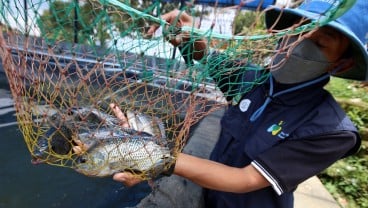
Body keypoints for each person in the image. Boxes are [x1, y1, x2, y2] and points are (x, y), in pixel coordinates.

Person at [110, 0, 368, 207]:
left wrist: (155, 158)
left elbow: (245, 179)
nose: (298, 43)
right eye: (297, 30)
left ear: (342, 63)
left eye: (320, 42)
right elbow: (206, 55)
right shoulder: (253, 79)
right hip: (208, 197)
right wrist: (188, 32)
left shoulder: (331, 130)